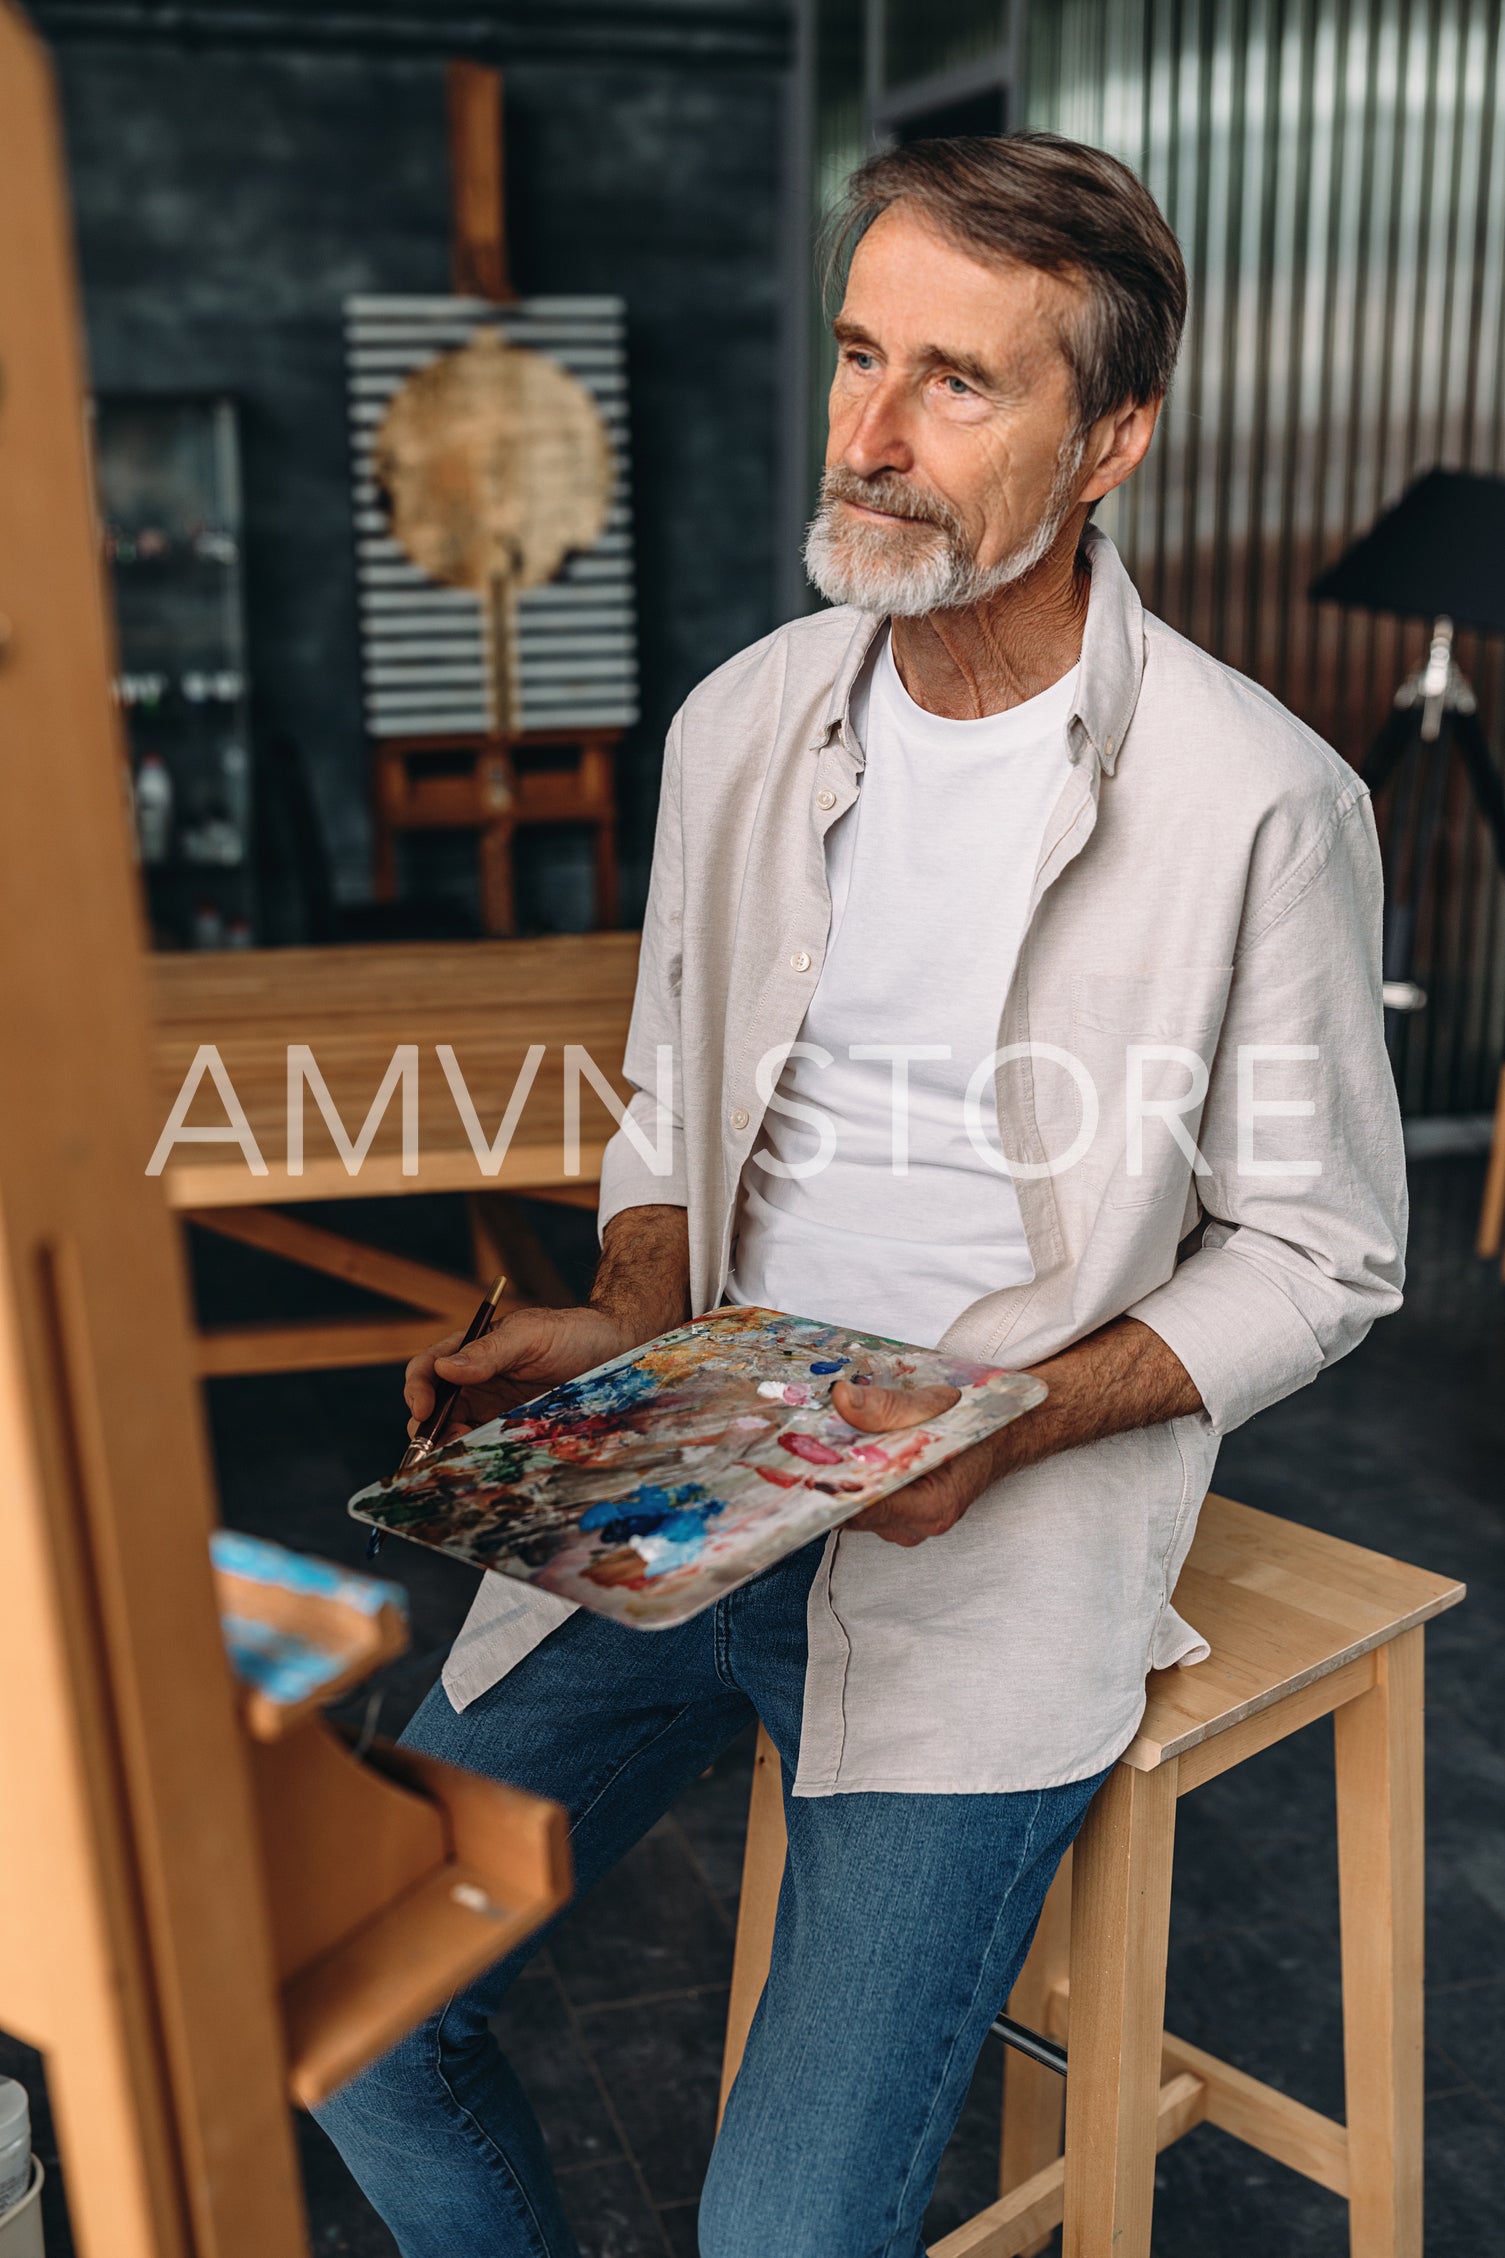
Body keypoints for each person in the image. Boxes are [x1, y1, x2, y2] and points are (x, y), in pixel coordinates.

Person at [317, 132, 1405, 2257]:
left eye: (961, 384)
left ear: (1112, 441)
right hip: (687, 1465)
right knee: (339, 1991)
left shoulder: (1263, 800)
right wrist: (634, 1301)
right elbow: (666, 1105)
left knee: (777, 2239)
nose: (875, 439)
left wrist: (1010, 1417)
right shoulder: (741, 724)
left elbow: (1327, 1250)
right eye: (856, 355)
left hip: (985, 1550)